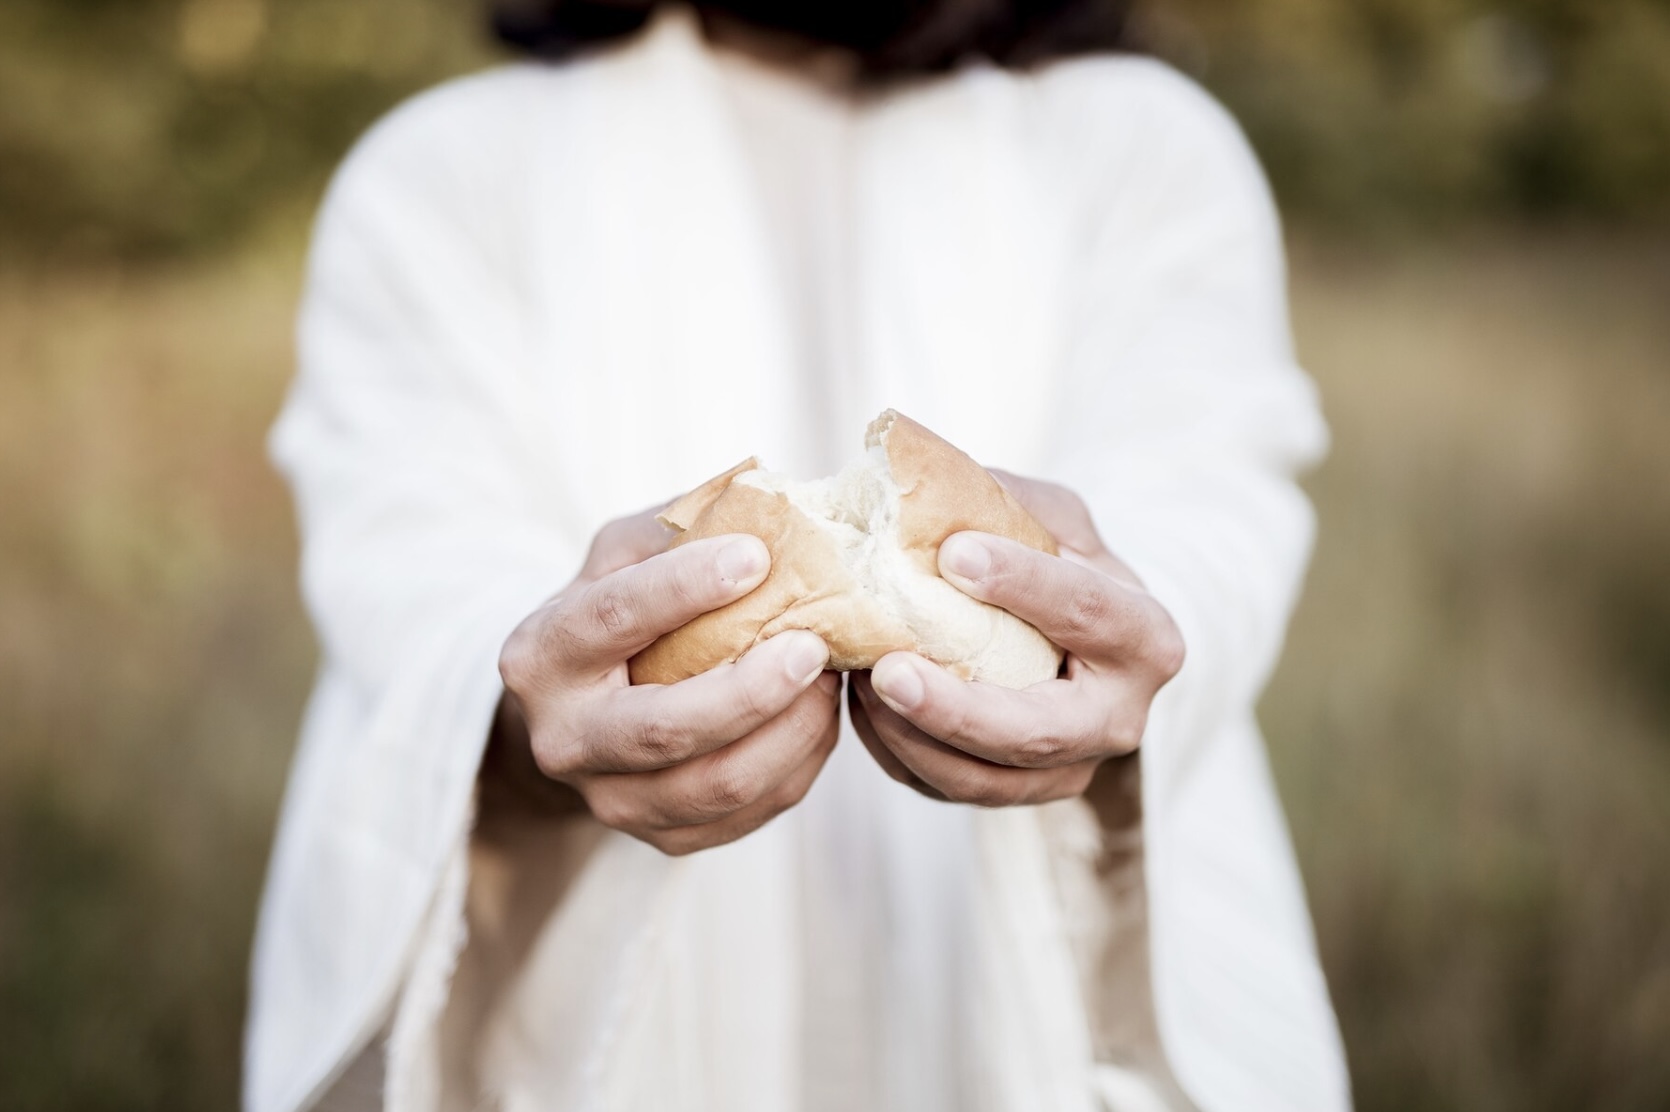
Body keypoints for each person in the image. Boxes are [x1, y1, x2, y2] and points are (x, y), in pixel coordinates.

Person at [246, 2, 1352, 1109]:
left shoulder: (1139, 143)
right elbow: (408, 565)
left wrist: (1116, 633)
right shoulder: (440, 174)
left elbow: (1209, 493)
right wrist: (536, 713)